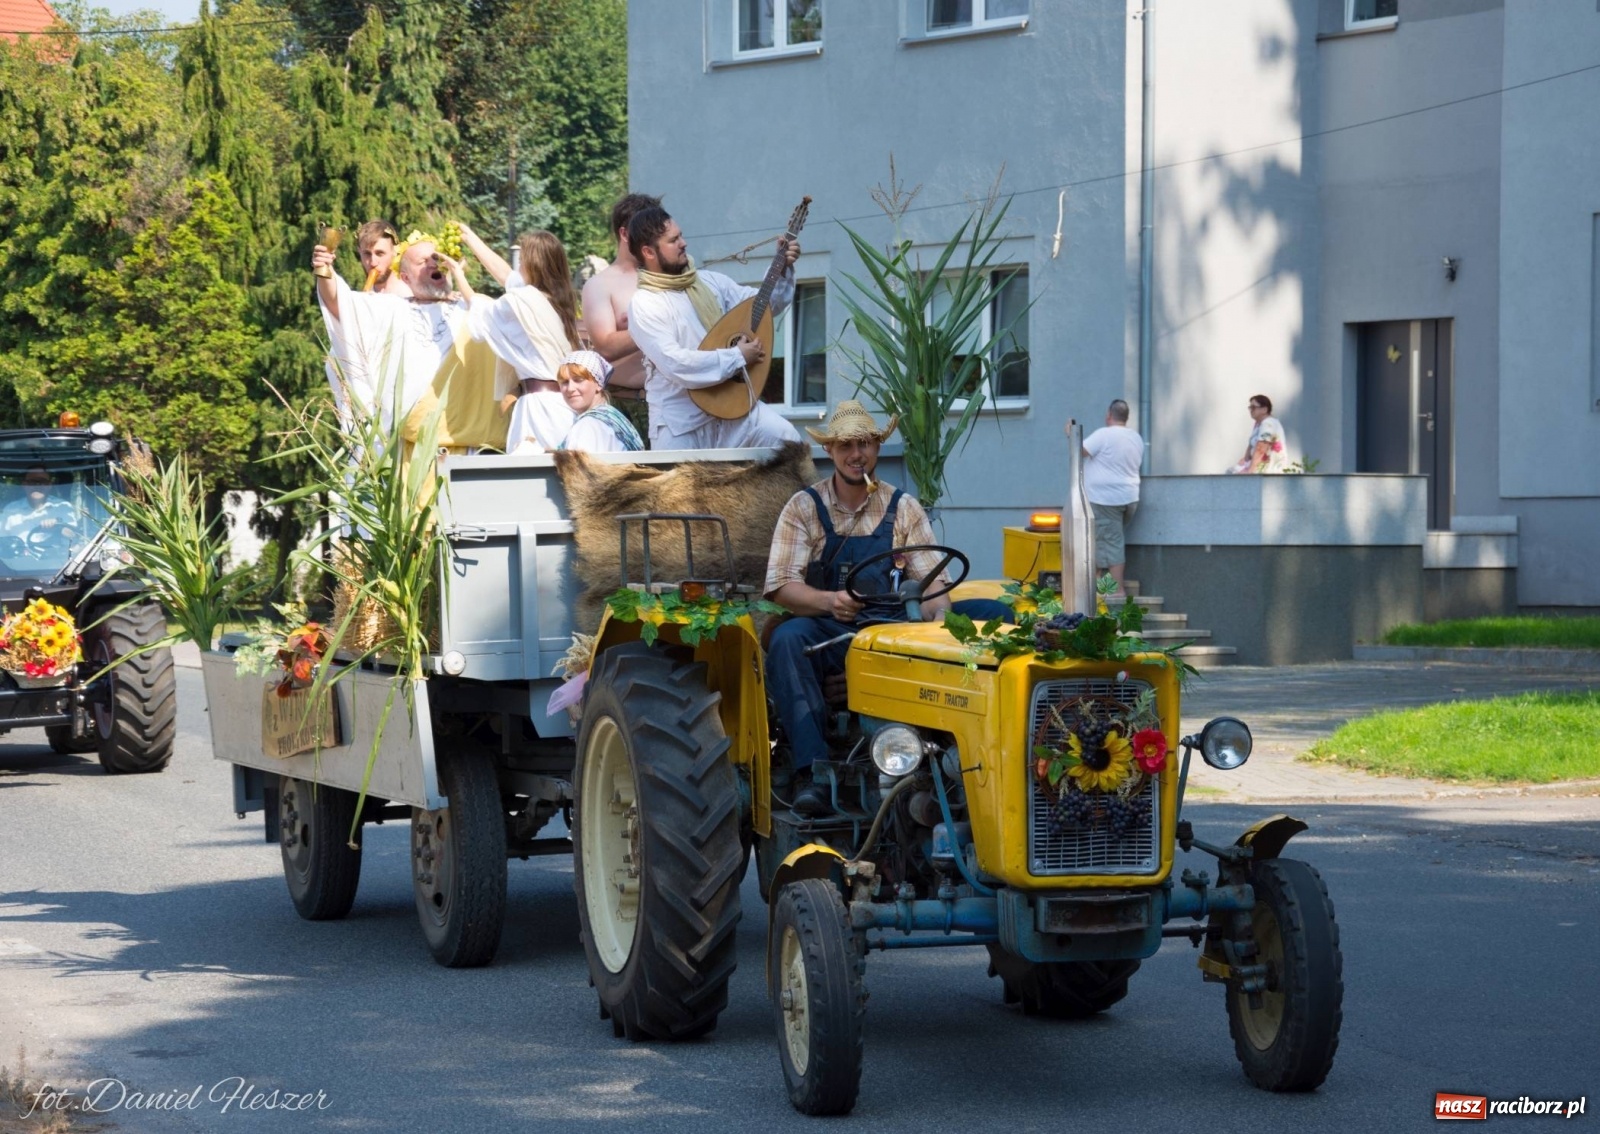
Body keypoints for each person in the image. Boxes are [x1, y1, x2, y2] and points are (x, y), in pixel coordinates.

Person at [763, 401, 1010, 816]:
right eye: (845, 446)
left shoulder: (904, 507)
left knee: (999, 615)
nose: (856, 454)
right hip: (832, 631)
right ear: (830, 452)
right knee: (788, 640)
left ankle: (979, 757)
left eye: (864, 443)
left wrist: (939, 623)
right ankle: (813, 772)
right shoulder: (804, 507)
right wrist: (829, 601)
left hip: (895, 628)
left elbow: (933, 583)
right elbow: (782, 587)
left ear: (877, 448)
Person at [626, 205, 803, 450]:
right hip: (681, 424)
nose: (684, 243)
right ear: (649, 252)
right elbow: (675, 363)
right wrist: (737, 356)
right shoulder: (645, 304)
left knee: (787, 441)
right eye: (673, 240)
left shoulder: (709, 282)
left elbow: (763, 308)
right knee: (683, 489)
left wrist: (781, 268)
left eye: (681, 235)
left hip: (734, 406)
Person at [313, 234, 508, 454]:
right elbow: (340, 303)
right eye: (422, 262)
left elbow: (520, 299)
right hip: (415, 455)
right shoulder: (392, 309)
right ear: (405, 278)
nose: (433, 263)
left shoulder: (476, 309)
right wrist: (324, 269)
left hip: (478, 452)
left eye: (436, 257)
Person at [456, 224, 579, 451]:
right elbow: (506, 276)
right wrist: (470, 238)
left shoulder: (522, 301)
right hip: (564, 404)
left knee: (532, 477)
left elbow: (480, 316)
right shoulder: (558, 298)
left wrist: (458, 275)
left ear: (533, 264)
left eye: (522, 260)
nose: (519, 264)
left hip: (540, 410)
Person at [580, 193, 661, 395]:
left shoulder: (668, 276)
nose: (655, 240)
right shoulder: (599, 286)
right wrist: (656, 326)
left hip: (677, 400)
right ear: (625, 234)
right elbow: (606, 346)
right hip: (631, 402)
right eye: (647, 232)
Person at [1076, 399, 1144, 597]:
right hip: (1129, 496)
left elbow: (1080, 451)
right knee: (1101, 539)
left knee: (1111, 540)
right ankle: (1095, 584)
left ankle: (1116, 591)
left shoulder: (1104, 435)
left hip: (1105, 499)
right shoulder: (1135, 438)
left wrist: (1070, 435)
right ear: (1126, 417)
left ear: (1108, 415)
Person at [553, 350, 645, 453]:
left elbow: (577, 467)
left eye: (578, 380)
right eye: (564, 382)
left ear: (598, 384)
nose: (570, 388)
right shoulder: (612, 418)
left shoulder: (588, 425)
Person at [1, 468, 80, 551]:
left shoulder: (62, 506)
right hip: (16, 562)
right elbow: (2, 541)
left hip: (57, 561)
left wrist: (58, 528)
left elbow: (74, 538)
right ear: (24, 485)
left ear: (49, 485)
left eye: (42, 482)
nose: (37, 485)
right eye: (32, 482)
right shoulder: (11, 510)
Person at [1228, 394, 1288, 474]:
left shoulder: (1268, 424)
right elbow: (1251, 447)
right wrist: (1243, 463)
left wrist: (1250, 472)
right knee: (1231, 471)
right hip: (1260, 469)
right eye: (1250, 407)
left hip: (1270, 471)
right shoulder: (1258, 424)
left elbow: (1261, 449)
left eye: (1253, 407)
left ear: (1264, 409)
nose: (1251, 410)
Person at [355, 219, 409, 296]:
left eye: (380, 254)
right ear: (359, 252)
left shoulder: (409, 296)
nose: (373, 263)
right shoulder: (363, 297)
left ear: (396, 251)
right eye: (367, 254)